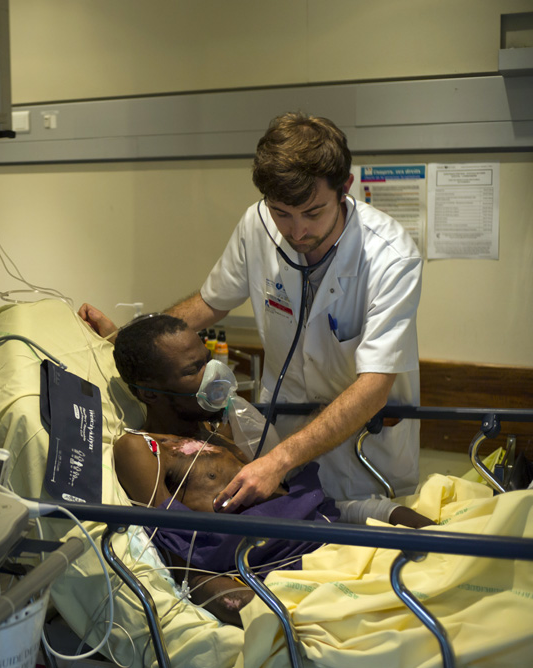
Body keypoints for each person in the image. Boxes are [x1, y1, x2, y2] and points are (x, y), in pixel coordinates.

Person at [83, 111, 422, 510]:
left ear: (345, 188)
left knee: (365, 530)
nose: (296, 232)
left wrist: (277, 461)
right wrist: (127, 339)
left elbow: (373, 387)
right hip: (283, 437)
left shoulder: (391, 257)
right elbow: (210, 303)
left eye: (313, 213)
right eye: (282, 213)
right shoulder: (256, 225)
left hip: (364, 448)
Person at [110, 314, 433, 626]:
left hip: (326, 540)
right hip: (280, 569)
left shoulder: (222, 432)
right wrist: (248, 610)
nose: (215, 373)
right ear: (150, 392)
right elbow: (175, 545)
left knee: (449, 558)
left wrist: (384, 512)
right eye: (194, 369)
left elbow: (293, 500)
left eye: (208, 360)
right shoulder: (144, 448)